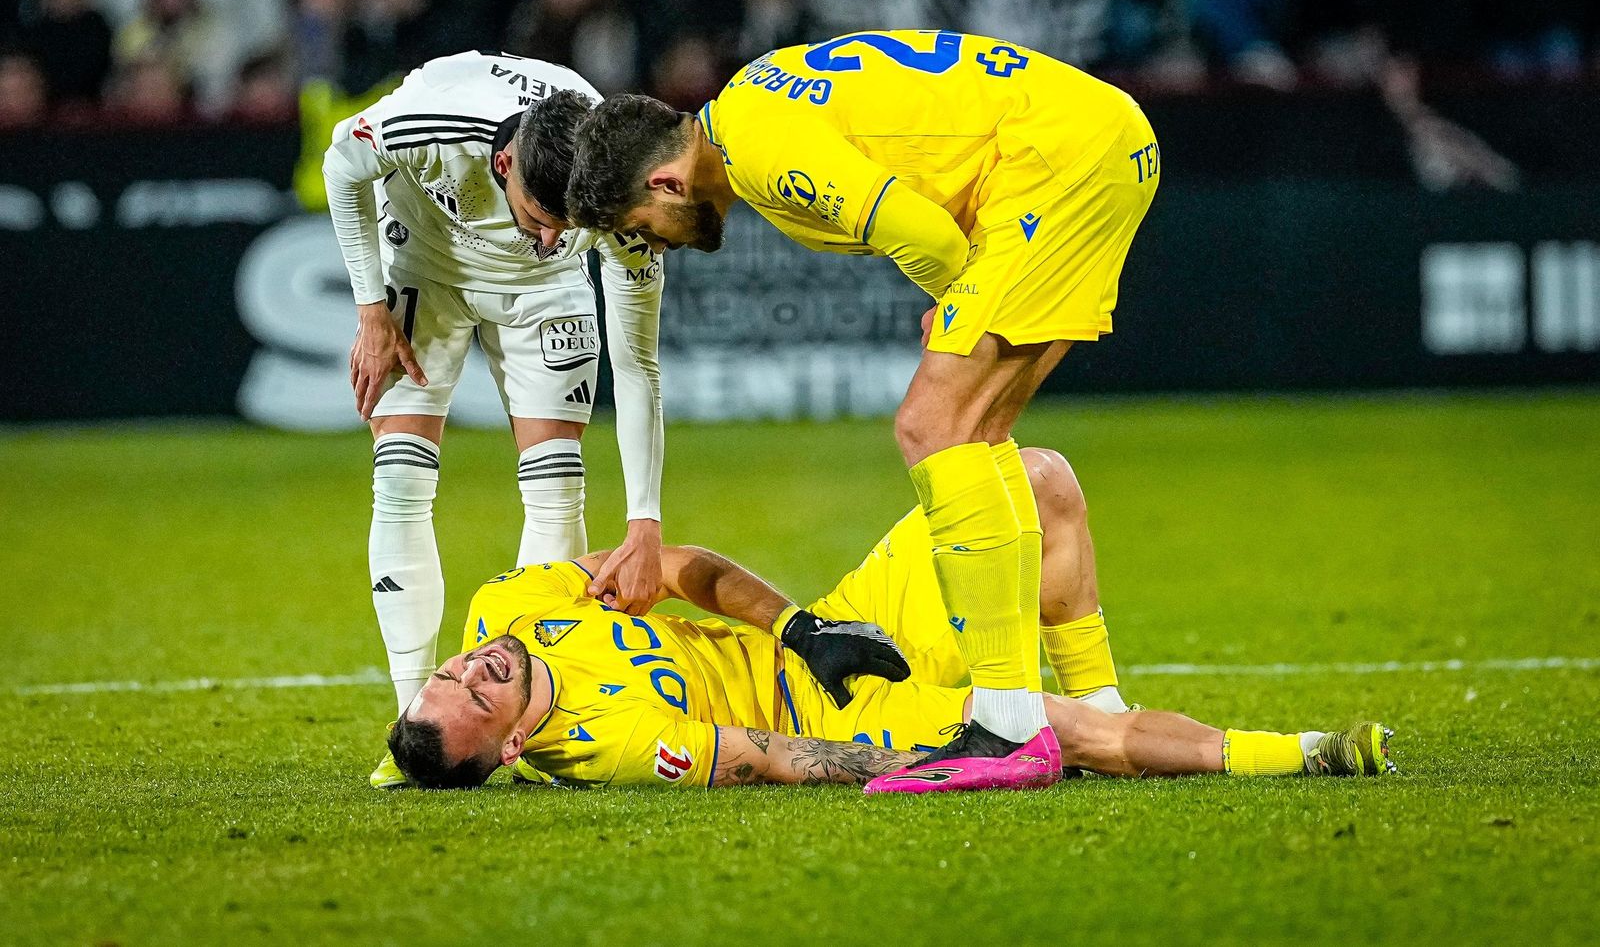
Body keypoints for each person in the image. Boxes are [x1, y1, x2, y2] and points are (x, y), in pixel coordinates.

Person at [563, 29, 1162, 791]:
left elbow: (918, 229)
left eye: (641, 229)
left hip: (1057, 160)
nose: (656, 245)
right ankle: (1094, 710)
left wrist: (954, 295)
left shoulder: (760, 152)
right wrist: (961, 293)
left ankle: (1008, 724)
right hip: (1088, 141)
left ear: (668, 185)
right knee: (975, 437)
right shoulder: (749, 105)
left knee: (933, 426)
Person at [389, 448, 1394, 790]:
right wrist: (920, 749)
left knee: (1033, 481)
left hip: (841, 633)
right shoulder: (611, 745)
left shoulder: (514, 604)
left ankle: (1106, 690)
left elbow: (683, 566)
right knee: (1052, 732)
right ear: (515, 744)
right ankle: (1306, 753)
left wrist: (799, 630)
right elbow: (770, 754)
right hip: (839, 721)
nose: (473, 667)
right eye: (474, 697)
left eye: (449, 671)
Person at [321, 51, 666, 789]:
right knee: (402, 479)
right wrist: (372, 309)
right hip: (424, 267)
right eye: (541, 218)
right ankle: (410, 724)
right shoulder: (426, 121)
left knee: (555, 483)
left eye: (568, 227)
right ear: (502, 162)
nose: (549, 237)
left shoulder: (619, 186)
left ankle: (526, 729)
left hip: (544, 296)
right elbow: (339, 166)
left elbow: (638, 366)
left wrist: (645, 517)